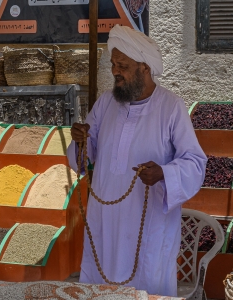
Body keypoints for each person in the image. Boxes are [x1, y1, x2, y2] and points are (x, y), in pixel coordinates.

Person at [67, 24, 207, 296]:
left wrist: (165, 174)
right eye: (113, 64)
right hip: (105, 221)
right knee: (100, 286)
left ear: (144, 68)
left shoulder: (171, 107)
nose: (115, 71)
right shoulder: (106, 103)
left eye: (123, 66)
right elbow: (86, 157)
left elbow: (195, 162)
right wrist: (81, 141)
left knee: (147, 286)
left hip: (148, 224)